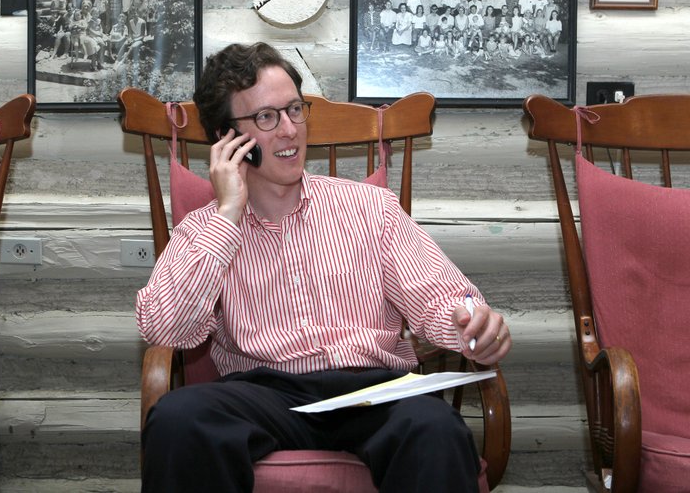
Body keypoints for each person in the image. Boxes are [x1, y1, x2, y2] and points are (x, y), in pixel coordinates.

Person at [137, 39, 511, 493]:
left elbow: (442, 298)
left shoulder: (370, 209)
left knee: (437, 427)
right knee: (178, 418)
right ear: (227, 139)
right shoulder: (204, 231)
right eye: (266, 118)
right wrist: (229, 214)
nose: (290, 130)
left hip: (376, 393)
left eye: (295, 109)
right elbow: (165, 330)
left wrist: (472, 324)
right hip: (266, 395)